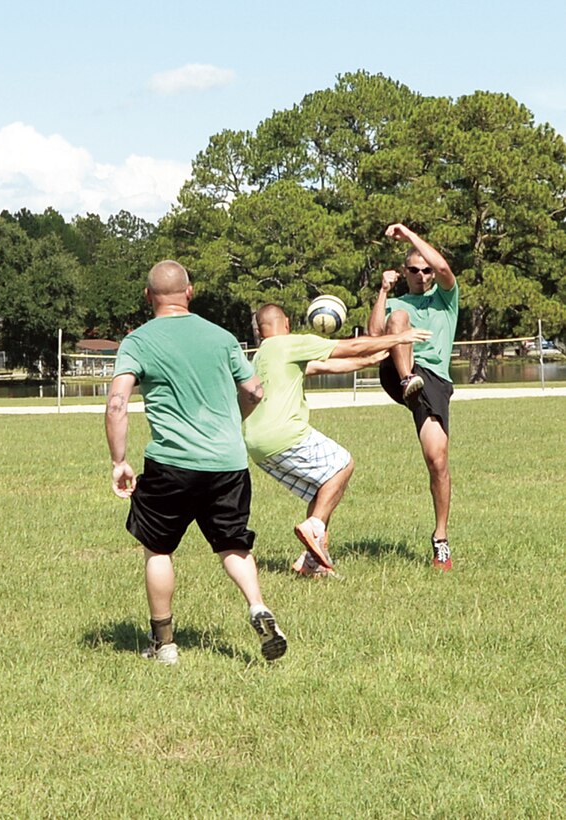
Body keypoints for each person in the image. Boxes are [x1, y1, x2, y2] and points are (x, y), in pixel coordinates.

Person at [105, 260, 287, 664]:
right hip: (228, 462)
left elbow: (118, 403)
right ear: (190, 292)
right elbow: (255, 391)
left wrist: (119, 460)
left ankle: (164, 644)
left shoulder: (138, 341)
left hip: (172, 464)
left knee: (159, 548)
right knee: (233, 543)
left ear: (148, 296)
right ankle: (257, 605)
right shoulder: (222, 337)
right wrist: (229, 423)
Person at [242, 303, 431, 578]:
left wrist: (375, 357)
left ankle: (312, 563)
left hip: (256, 445)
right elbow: (349, 347)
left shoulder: (263, 356)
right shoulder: (290, 343)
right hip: (283, 433)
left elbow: (334, 364)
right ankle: (316, 527)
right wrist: (399, 338)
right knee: (343, 464)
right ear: (286, 323)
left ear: (259, 329)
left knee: (323, 489)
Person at [368, 223, 459, 570]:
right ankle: (408, 381)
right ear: (404, 271)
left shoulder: (445, 300)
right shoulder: (397, 303)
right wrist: (382, 291)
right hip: (401, 371)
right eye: (414, 269)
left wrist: (409, 236)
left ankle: (441, 539)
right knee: (400, 318)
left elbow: (446, 269)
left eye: (426, 270)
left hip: (434, 380)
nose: (422, 275)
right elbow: (376, 335)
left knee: (437, 460)